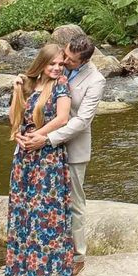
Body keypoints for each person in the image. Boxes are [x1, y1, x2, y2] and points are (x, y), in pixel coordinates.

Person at [2, 43, 83, 276]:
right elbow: (14, 118)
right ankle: (21, 264)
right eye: (53, 64)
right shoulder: (27, 84)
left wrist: (39, 135)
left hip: (47, 156)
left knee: (45, 212)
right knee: (23, 208)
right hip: (24, 155)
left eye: (61, 64)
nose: (58, 68)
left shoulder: (61, 85)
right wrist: (18, 133)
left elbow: (62, 118)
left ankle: (45, 271)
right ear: (41, 63)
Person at [44, 24, 110, 252]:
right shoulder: (59, 63)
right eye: (65, 54)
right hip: (47, 148)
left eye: (71, 60)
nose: (64, 62)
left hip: (73, 148)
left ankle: (78, 255)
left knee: (74, 203)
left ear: (84, 61)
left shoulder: (96, 81)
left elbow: (82, 121)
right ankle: (53, 250)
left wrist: (49, 138)